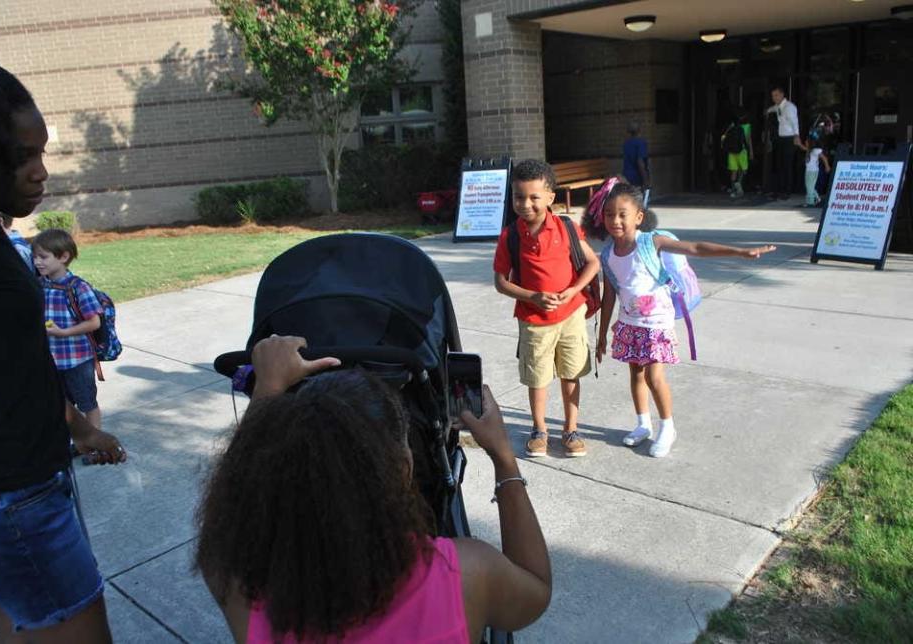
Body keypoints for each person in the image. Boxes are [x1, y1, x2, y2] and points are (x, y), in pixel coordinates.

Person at [196, 335, 552, 642]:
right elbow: (535, 588)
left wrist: (267, 391)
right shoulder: (467, 574)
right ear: (404, 467)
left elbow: (230, 516)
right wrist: (504, 457)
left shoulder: (238, 585)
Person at [0, 46, 126, 642]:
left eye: (43, 152)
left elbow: (10, 364)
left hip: (22, 490)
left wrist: (80, 428)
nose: (41, 171)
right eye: (23, 155)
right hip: (7, 504)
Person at [589, 183, 775, 457]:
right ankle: (643, 424)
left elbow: (696, 247)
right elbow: (610, 296)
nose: (614, 221)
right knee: (636, 374)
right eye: (608, 214)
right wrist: (603, 334)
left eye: (621, 214)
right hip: (630, 324)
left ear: (639, 216)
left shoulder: (650, 242)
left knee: (654, 376)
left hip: (656, 325)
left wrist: (738, 252)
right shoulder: (607, 255)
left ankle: (667, 427)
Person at [492, 159, 601, 458]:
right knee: (537, 377)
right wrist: (532, 296)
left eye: (534, 197)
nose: (525, 204)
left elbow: (592, 262)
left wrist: (572, 291)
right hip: (533, 319)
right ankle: (539, 429)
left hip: (571, 315)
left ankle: (571, 429)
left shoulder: (566, 227)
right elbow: (501, 283)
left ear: (551, 197)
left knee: (571, 373)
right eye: (518, 197)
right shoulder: (510, 236)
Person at [33, 229, 104, 431]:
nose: (38, 262)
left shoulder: (78, 288)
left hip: (78, 360)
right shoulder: (40, 285)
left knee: (87, 403)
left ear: (63, 256)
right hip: (52, 360)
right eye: (35, 256)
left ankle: (95, 443)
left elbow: (94, 322)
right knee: (61, 405)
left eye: (43, 257)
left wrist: (63, 332)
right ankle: (73, 440)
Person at [766, 87, 799, 200]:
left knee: (787, 165)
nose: (774, 98)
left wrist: (796, 136)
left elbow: (795, 122)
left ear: (782, 95)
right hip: (781, 138)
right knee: (780, 165)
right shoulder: (779, 106)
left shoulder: (789, 107)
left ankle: (787, 191)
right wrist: (768, 111)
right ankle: (779, 190)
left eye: (776, 95)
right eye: (772, 96)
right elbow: (773, 109)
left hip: (789, 138)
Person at [722, 111, 754, 198]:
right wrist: (751, 151)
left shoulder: (731, 126)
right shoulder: (747, 126)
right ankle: (738, 184)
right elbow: (748, 140)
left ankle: (733, 191)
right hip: (742, 151)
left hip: (731, 152)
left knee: (733, 171)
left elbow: (724, 137)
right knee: (743, 170)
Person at [796, 133, 831, 208]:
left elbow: (824, 158)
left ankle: (810, 202)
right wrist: (799, 144)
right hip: (810, 171)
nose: (805, 141)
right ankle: (817, 199)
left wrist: (827, 166)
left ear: (810, 142)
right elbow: (803, 148)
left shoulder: (815, 150)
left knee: (809, 187)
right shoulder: (810, 149)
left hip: (812, 171)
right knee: (810, 186)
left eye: (806, 141)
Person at [622, 121, 650, 191]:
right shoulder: (641, 143)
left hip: (626, 176)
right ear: (639, 130)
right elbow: (640, 162)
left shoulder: (626, 143)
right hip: (637, 178)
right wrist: (645, 181)